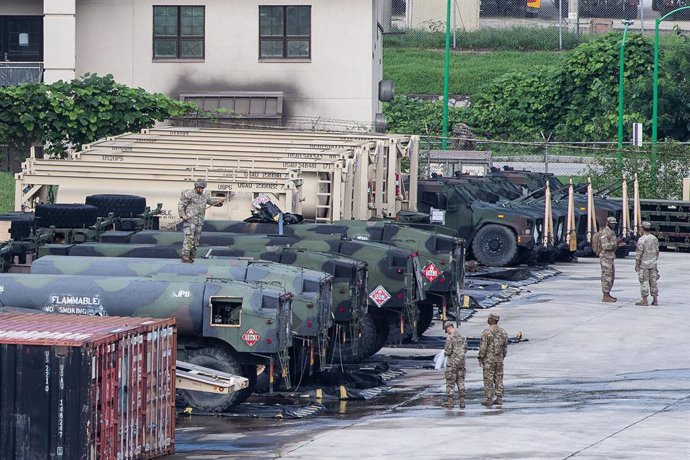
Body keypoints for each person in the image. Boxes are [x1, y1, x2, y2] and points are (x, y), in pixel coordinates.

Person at [178, 179, 223, 263]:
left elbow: (210, 201)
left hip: (199, 221)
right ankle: (185, 256)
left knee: (196, 240)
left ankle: (191, 256)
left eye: (203, 188)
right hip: (190, 220)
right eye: (200, 188)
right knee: (189, 238)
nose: (202, 190)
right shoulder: (188, 194)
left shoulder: (204, 196)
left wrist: (219, 202)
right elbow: (181, 205)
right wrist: (182, 215)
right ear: (196, 187)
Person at [478, 313, 508, 407]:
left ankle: (489, 399)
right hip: (499, 359)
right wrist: (502, 357)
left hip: (489, 360)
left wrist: (480, 357)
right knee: (499, 378)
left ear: (491, 320)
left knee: (488, 378)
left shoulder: (487, 332)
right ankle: (499, 398)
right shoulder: (503, 332)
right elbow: (505, 348)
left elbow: (483, 347)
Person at [599, 216, 625, 302]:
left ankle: (608, 293)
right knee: (607, 276)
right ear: (608, 223)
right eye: (612, 223)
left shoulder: (612, 232)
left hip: (610, 257)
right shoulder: (605, 232)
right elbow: (605, 246)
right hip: (605, 257)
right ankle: (605, 295)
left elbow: (612, 245)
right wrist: (616, 243)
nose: (613, 225)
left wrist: (618, 244)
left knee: (611, 276)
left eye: (614, 224)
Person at [635, 221, 660, 306]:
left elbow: (639, 253)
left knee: (644, 281)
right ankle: (655, 299)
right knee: (653, 281)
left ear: (642, 228)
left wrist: (637, 264)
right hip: (653, 263)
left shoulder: (642, 239)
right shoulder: (654, 238)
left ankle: (644, 299)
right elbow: (657, 251)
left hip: (644, 264)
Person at [443, 321, 467, 409]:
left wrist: (445, 353)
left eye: (446, 330)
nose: (447, 332)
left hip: (452, 364)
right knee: (461, 382)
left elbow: (448, 351)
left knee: (450, 383)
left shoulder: (450, 338)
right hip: (461, 363)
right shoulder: (463, 336)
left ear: (448, 328)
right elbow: (465, 349)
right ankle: (462, 402)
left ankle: (450, 403)